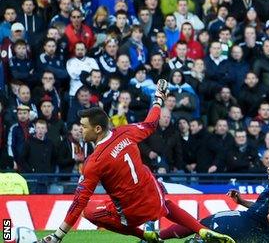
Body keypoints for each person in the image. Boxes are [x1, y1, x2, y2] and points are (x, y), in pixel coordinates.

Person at [39, 80, 233, 243]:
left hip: (132, 213)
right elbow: (151, 123)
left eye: (84, 126)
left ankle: (144, 235)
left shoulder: (94, 162)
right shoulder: (126, 132)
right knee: (162, 198)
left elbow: (79, 202)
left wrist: (58, 236)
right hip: (152, 194)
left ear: (97, 129)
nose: (81, 130)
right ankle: (200, 229)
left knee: (89, 211)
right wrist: (158, 99)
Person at [159, 152, 269, 243]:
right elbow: (263, 207)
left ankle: (157, 237)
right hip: (263, 236)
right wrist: (242, 201)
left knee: (198, 225)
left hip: (247, 223)